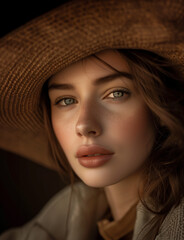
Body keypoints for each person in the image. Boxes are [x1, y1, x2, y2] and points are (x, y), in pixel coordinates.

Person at [0, 0, 184, 240]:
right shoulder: (47, 229)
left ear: (160, 107)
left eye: (116, 93)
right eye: (66, 100)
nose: (84, 125)